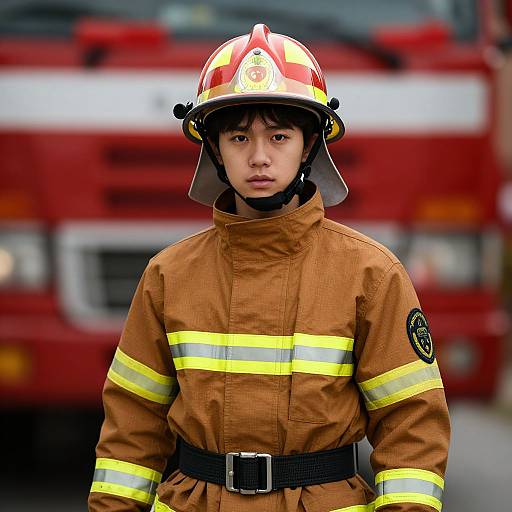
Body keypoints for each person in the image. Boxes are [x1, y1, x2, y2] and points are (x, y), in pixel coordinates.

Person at [88, 24, 450, 512]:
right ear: (215, 150)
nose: (259, 157)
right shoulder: (168, 276)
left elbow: (412, 427)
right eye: (239, 137)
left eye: (278, 136)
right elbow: (131, 427)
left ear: (309, 146)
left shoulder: (371, 274)